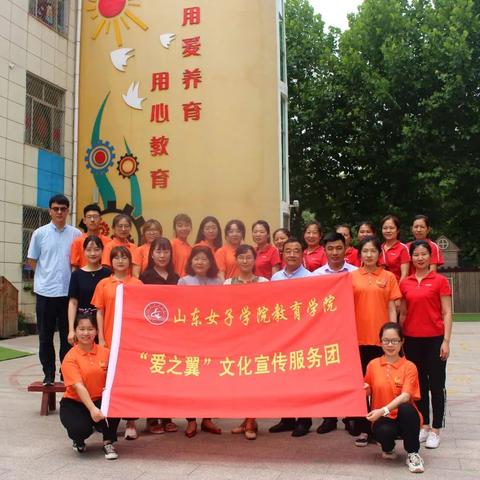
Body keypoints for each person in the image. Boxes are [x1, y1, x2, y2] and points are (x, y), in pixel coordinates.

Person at [400, 240, 452, 449]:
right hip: (412, 340)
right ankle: (424, 425)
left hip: (435, 340)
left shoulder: (440, 281)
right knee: (419, 385)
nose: (420, 258)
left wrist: (446, 341)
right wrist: (400, 340)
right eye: (416, 255)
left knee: (437, 385)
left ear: (430, 257)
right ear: (411, 258)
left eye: (424, 254)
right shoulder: (405, 283)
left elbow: (447, 312)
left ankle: (436, 429)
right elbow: (403, 314)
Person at [351, 236, 402, 446]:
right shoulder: (351, 277)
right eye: (365, 251)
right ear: (360, 255)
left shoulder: (388, 277)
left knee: (383, 385)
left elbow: (392, 308)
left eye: (373, 251)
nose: (369, 255)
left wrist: (394, 338)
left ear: (379, 254)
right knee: (361, 386)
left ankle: (383, 427)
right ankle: (364, 429)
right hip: (357, 339)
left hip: (383, 342)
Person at [27, 194, 82, 385]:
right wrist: (44, 275)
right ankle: (48, 374)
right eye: (56, 208)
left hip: (68, 295)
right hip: (45, 293)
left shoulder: (76, 234)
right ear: (50, 211)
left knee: (69, 337)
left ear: (68, 211)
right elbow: (32, 259)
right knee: (45, 336)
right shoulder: (39, 233)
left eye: (63, 209)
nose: (59, 212)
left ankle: (66, 372)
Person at [92, 246, 143, 440]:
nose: (120, 261)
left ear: (130, 261)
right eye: (116, 258)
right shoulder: (104, 284)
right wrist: (101, 338)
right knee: (107, 380)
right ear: (110, 262)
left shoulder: (137, 283)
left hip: (131, 341)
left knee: (131, 381)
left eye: (124, 257)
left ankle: (131, 422)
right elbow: (99, 311)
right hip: (109, 339)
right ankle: (107, 419)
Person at [362, 322, 425, 474]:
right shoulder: (372, 365)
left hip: (405, 417)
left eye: (395, 341)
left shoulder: (409, 366)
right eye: (386, 340)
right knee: (383, 430)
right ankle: (388, 448)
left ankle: (413, 453)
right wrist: (361, 389)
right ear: (380, 342)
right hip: (384, 419)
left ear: (402, 341)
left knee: (406, 409)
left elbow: (406, 396)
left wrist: (383, 410)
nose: (390, 345)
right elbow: (367, 390)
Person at [313, 232, 357, 435]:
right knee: (327, 376)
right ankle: (329, 417)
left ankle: (350, 417)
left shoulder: (356, 273)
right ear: (324, 251)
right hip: (325, 333)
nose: (335, 252)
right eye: (330, 248)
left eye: (339, 248)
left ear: (346, 249)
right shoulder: (316, 276)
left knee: (349, 376)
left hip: (350, 332)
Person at [59, 313, 120, 460]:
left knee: (115, 403)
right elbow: (78, 386)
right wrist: (92, 409)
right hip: (75, 403)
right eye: (82, 329)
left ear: (97, 331)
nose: (86, 333)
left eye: (90, 329)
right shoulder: (70, 357)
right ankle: (78, 440)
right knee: (80, 429)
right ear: (75, 331)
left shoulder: (106, 353)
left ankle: (108, 441)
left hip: (100, 399)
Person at [269, 238, 313, 437]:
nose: (292, 254)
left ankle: (304, 420)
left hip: (302, 334)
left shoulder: (311, 278)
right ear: (283, 254)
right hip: (281, 335)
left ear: (302, 254)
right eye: (288, 251)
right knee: (283, 377)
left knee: (302, 379)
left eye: (296, 251)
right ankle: (286, 419)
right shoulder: (276, 277)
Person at [178, 245, 222, 437]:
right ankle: (191, 420)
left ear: (210, 262)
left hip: (213, 337)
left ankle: (207, 418)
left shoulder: (218, 282)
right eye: (197, 259)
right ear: (191, 261)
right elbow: (179, 309)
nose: (200, 262)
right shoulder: (184, 281)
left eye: (204, 259)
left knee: (210, 379)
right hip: (190, 338)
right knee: (191, 378)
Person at [225, 244, 268, 440]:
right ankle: (246, 420)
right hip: (236, 338)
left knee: (254, 380)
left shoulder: (264, 282)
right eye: (241, 257)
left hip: (257, 337)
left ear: (254, 259)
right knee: (240, 380)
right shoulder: (227, 283)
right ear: (236, 259)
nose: (245, 260)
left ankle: (251, 421)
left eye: (248, 257)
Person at [140, 238, 179, 435]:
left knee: (169, 375)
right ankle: (152, 417)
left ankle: (167, 417)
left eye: (166, 252)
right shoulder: (144, 277)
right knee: (153, 375)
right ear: (152, 254)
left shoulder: (176, 277)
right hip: (151, 334)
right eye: (158, 252)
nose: (162, 256)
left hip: (172, 334)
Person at [67, 235, 111, 345]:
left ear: (102, 251)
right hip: (83, 324)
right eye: (89, 250)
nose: (93, 253)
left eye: (96, 249)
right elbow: (73, 302)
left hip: (104, 323)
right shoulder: (77, 275)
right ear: (84, 251)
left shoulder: (108, 274)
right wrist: (71, 330)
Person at [70, 204, 110, 269]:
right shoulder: (77, 242)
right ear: (84, 220)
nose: (92, 220)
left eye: (95, 217)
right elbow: (75, 267)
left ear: (100, 219)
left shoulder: (108, 242)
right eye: (89, 217)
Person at [380, 215, 410, 283]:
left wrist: (397, 289)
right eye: (385, 228)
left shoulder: (403, 248)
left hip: (396, 286)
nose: (388, 231)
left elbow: (405, 274)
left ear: (398, 230)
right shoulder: (378, 248)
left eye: (391, 228)